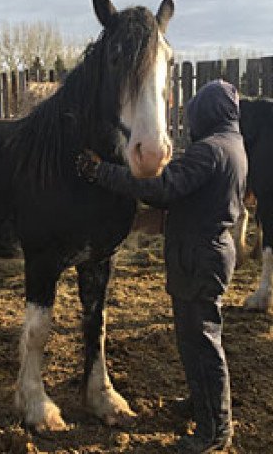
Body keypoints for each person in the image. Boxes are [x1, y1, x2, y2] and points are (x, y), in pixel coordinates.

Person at [76, 79, 247, 453]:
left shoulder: (210, 151)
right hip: (205, 252)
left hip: (198, 256)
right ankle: (201, 405)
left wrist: (100, 172)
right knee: (195, 339)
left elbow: (162, 187)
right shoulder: (232, 146)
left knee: (202, 343)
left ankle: (215, 430)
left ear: (207, 112)